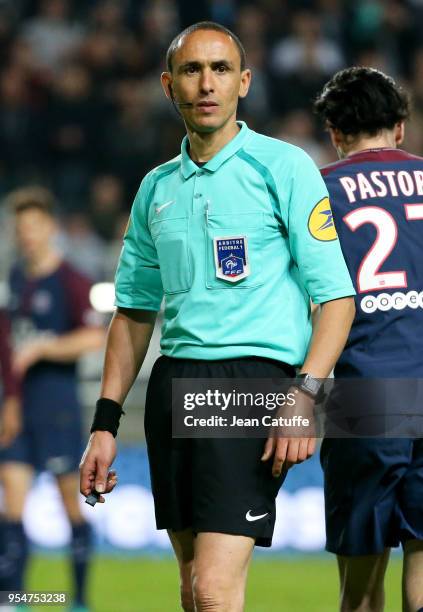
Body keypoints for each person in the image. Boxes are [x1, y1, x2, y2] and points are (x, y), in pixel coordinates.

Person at [80, 21, 355, 612]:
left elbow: (335, 296)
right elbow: (132, 315)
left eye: (221, 69)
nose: (207, 84)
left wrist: (305, 393)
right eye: (192, 70)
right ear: (168, 84)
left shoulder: (283, 167)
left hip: (253, 386)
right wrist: (105, 422)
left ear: (244, 82)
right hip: (175, 384)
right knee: (191, 589)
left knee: (213, 590)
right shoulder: (156, 190)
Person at [314, 67, 423, 612]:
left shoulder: (319, 191)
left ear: (334, 132)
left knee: (359, 591)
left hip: (366, 397)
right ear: (400, 128)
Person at [0, 187, 105, 611]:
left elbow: (94, 335)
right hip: (18, 408)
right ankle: (15, 597)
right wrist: (8, 399)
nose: (27, 235)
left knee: (69, 505)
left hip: (58, 407)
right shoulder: (14, 279)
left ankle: (77, 599)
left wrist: (44, 349)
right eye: (21, 228)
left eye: (34, 227)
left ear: (50, 229)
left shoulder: (72, 280)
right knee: (13, 501)